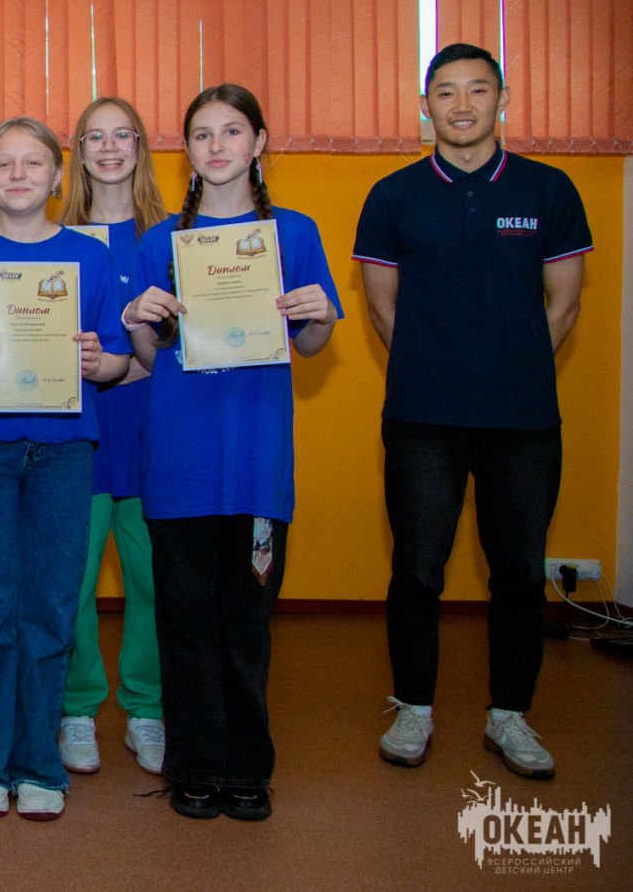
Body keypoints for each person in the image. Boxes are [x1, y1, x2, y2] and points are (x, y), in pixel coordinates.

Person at [354, 43, 590, 781]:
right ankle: (414, 706)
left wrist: (509, 370)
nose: (462, 105)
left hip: (523, 421)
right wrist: (441, 372)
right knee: (417, 568)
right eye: (446, 92)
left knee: (518, 571)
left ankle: (509, 714)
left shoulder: (549, 189)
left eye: (477, 90)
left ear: (502, 98)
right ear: (425, 105)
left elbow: (564, 303)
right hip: (422, 417)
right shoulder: (393, 195)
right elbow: (383, 309)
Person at [124, 84, 340, 822]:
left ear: (259, 143)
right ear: (187, 151)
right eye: (202, 134)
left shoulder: (295, 233)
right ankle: (192, 765)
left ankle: (248, 767)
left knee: (246, 625)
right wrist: (140, 319)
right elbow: (147, 356)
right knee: (184, 622)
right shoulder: (159, 242)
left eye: (232, 131)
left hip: (255, 464)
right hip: (179, 465)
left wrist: (319, 316)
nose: (217, 146)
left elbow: (313, 344)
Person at [0, 117, 130, 821]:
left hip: (65, 453)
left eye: (32, 162)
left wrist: (100, 362)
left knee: (49, 608)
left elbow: (118, 359)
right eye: (3, 163)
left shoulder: (88, 257)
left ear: (57, 175)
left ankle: (39, 762)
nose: (17, 174)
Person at [53, 96, 169, 777]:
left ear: (140, 147)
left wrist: (129, 360)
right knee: (72, 582)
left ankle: (147, 709)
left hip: (155, 431)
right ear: (78, 151)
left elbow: (186, 344)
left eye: (122, 135)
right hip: (81, 431)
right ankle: (77, 708)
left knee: (153, 579)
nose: (109, 148)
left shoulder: (173, 238)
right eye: (94, 137)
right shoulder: (55, 239)